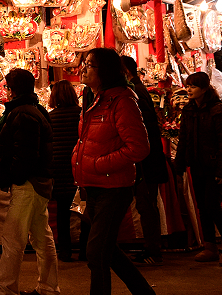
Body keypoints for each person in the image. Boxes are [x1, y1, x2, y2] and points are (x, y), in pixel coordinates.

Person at [71, 48, 153, 295]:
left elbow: (139, 148)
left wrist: (98, 164)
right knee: (106, 250)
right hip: (93, 187)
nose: (82, 69)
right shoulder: (94, 97)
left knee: (96, 253)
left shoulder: (123, 101)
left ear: (104, 71)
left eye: (89, 65)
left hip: (114, 188)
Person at [0, 68, 58, 295]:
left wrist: (13, 176)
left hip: (29, 184)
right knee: (42, 237)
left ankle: (4, 289)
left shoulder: (24, 114)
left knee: (14, 237)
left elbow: (26, 155)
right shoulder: (32, 110)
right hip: (37, 182)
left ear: (12, 90)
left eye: (7, 86)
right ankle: (48, 287)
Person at [174, 71, 222, 267]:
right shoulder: (189, 110)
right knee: (203, 207)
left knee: (212, 205)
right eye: (188, 85)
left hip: (213, 165)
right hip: (196, 165)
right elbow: (183, 138)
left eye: (193, 86)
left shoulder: (217, 110)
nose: (189, 89)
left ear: (204, 88)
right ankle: (209, 246)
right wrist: (180, 164)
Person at [121, 56, 169, 266]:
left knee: (147, 206)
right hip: (147, 159)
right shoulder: (138, 91)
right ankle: (152, 248)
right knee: (146, 206)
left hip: (145, 161)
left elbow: (144, 130)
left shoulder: (136, 93)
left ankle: (153, 250)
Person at [47, 80, 88, 263]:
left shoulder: (50, 117)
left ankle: (64, 251)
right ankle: (85, 250)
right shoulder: (82, 115)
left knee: (62, 213)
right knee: (84, 211)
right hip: (79, 168)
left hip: (59, 169)